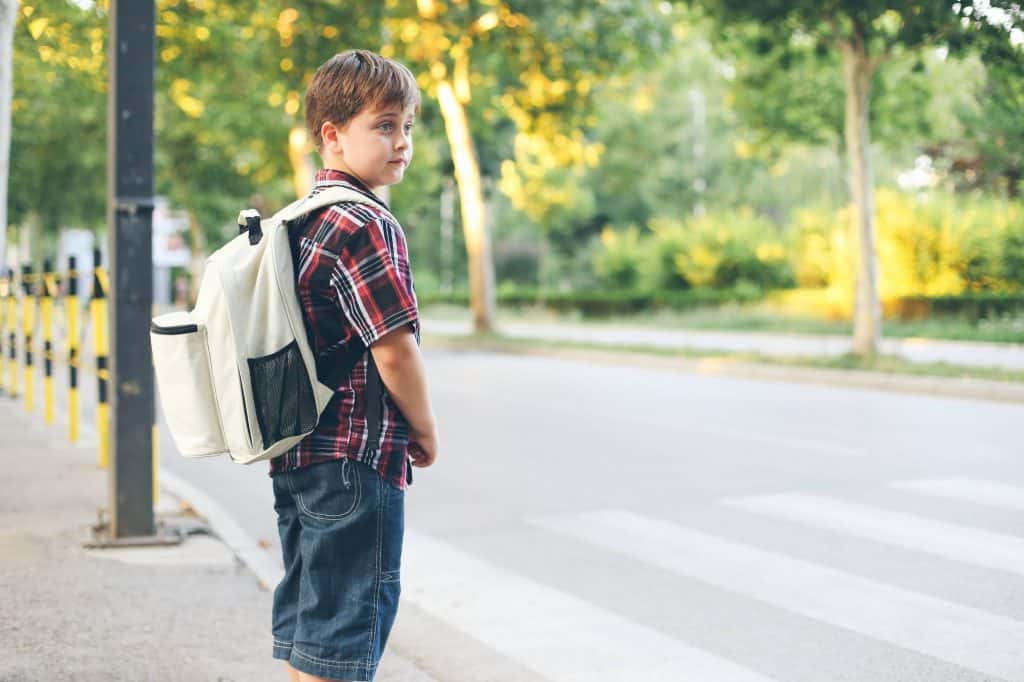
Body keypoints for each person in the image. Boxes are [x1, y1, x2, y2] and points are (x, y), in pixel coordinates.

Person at [268, 49, 439, 682]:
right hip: (357, 463)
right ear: (332, 135)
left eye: (409, 125)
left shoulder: (301, 220)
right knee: (343, 641)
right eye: (385, 124)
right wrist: (424, 429)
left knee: (313, 636)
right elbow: (393, 349)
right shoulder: (367, 223)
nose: (402, 143)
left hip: (300, 456)